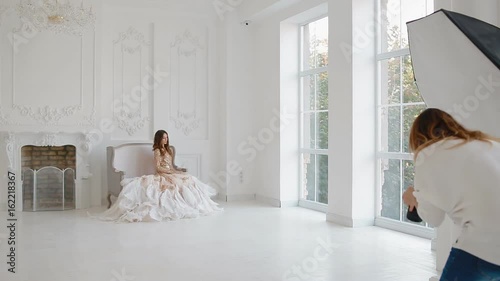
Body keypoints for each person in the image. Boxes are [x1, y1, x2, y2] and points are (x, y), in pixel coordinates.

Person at [402, 108, 500, 280]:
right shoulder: (490, 144)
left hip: (485, 247)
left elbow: (434, 218)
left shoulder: (427, 155)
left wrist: (414, 198)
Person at [98, 130, 222, 222]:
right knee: (173, 185)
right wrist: (169, 172)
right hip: (162, 173)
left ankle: (193, 205)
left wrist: (176, 171)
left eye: (167, 138)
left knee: (188, 179)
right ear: (159, 139)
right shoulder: (157, 151)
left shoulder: (169, 150)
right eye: (163, 138)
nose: (166, 140)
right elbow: (158, 167)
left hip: (170, 172)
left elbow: (172, 166)